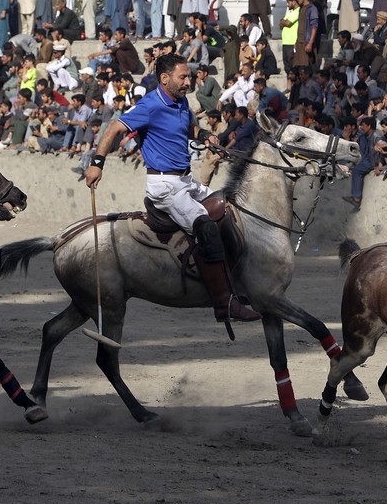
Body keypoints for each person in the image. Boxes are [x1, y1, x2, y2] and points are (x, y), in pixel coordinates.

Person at [84, 54, 260, 323]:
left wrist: (205, 136)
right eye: (183, 77)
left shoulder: (181, 102)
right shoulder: (150, 105)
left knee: (228, 211)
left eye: (188, 76)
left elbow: (190, 127)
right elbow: (113, 128)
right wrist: (97, 163)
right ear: (164, 79)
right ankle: (224, 303)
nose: (188, 81)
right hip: (164, 186)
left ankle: (234, 283)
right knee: (206, 227)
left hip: (186, 182)